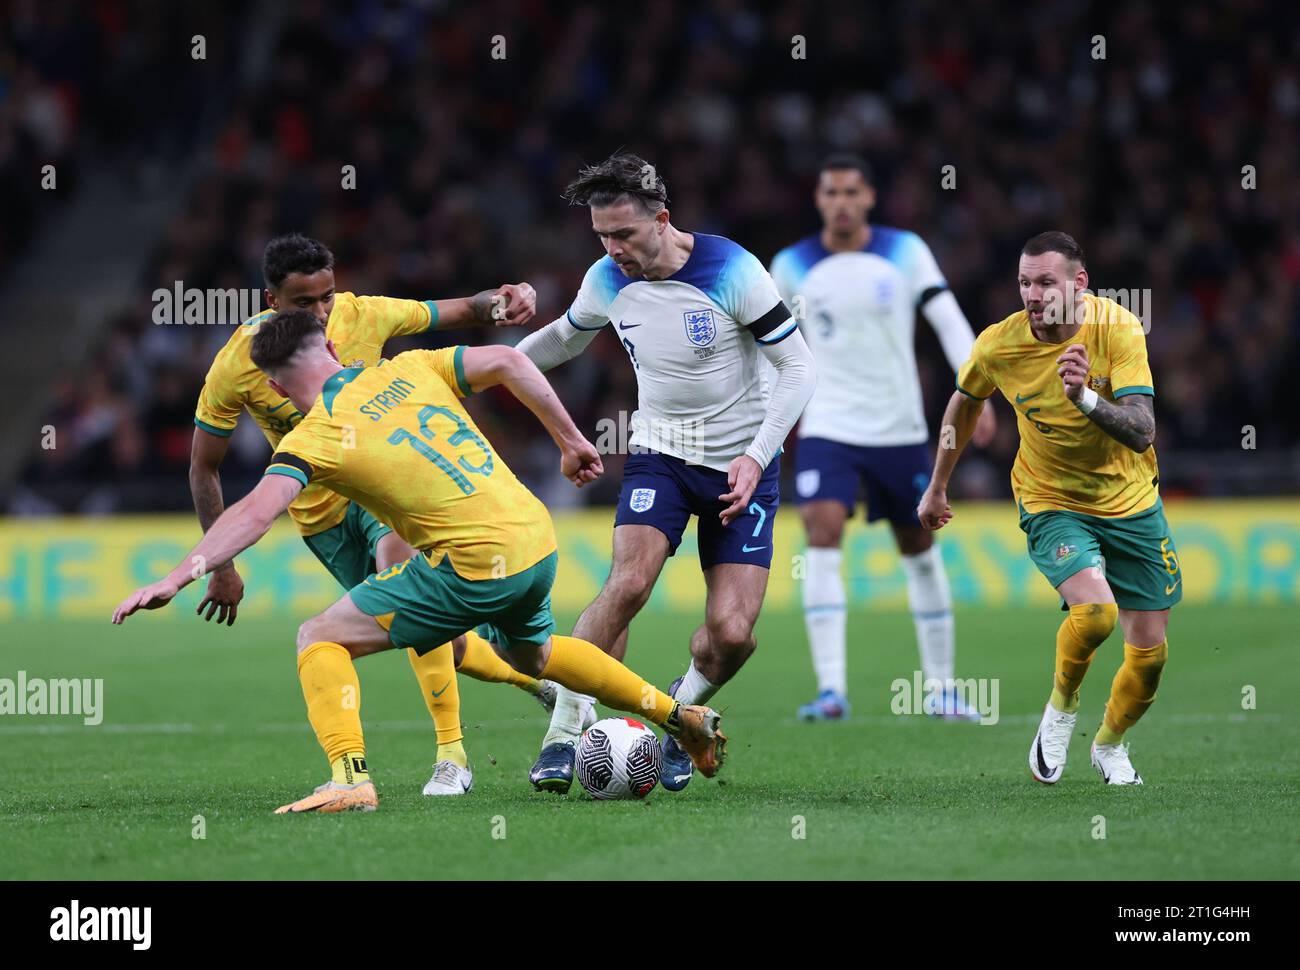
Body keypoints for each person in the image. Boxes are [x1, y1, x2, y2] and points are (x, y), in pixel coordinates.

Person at [113, 310, 727, 813]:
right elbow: (512, 359)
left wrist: (177, 575)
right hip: (534, 537)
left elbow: (253, 513)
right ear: (330, 344)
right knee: (532, 655)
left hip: (475, 561)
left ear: (274, 387)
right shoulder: (409, 367)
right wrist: (569, 440)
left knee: (318, 636)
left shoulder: (314, 434)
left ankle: (351, 778)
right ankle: (680, 715)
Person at [190, 232, 552, 796]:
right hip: (320, 516)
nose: (322, 312)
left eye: (326, 297)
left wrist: (507, 300)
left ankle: (451, 756)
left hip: (390, 494)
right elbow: (204, 467)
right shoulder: (239, 363)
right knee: (441, 641)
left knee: (395, 562)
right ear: (269, 302)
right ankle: (534, 681)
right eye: (303, 303)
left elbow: (462, 309)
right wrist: (222, 566)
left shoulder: (365, 314)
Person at [515, 152, 815, 792]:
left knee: (732, 634)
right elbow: (567, 338)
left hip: (744, 466)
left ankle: (687, 706)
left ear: (662, 219)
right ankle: (564, 733)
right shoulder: (606, 278)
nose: (613, 248)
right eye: (601, 236)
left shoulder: (731, 268)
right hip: (661, 456)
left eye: (623, 234)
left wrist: (756, 454)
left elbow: (799, 368)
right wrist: (491, 365)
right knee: (627, 585)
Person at [917, 231, 1180, 785]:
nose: (1032, 294)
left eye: (1045, 282)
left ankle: (1109, 745)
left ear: (1078, 283)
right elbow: (964, 404)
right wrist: (938, 484)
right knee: (1095, 615)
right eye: (1023, 282)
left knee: (1150, 656)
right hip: (1050, 499)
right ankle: (1060, 711)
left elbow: (1142, 431)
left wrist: (1084, 396)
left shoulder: (1118, 328)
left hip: (1131, 500)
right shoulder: (999, 345)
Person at [770, 154, 996, 722]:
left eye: (851, 192)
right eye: (831, 193)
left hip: (899, 428)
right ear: (818, 200)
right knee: (820, 534)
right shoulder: (791, 264)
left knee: (918, 547)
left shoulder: (907, 251)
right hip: (827, 424)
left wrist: (978, 389)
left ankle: (942, 689)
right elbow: (766, 346)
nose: (841, 202)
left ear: (869, 197)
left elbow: (947, 322)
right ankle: (832, 691)